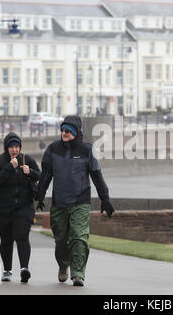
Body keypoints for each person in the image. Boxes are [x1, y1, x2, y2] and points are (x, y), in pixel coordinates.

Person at [36, 115, 114, 287]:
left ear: (76, 132)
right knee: (61, 240)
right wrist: (40, 195)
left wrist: (105, 198)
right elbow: (46, 175)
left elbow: (97, 176)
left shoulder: (87, 150)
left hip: (80, 201)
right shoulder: (53, 149)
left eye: (68, 131)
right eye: (62, 130)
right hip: (59, 203)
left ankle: (78, 274)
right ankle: (63, 265)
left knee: (79, 237)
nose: (64, 133)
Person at [0, 132, 41, 284]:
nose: (14, 150)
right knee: (6, 239)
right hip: (3, 207)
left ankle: (24, 269)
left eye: (17, 146)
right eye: (11, 147)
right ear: (6, 148)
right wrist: (10, 167)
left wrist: (30, 171)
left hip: (23, 206)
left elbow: (40, 176)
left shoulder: (27, 159)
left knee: (22, 235)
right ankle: (7, 270)